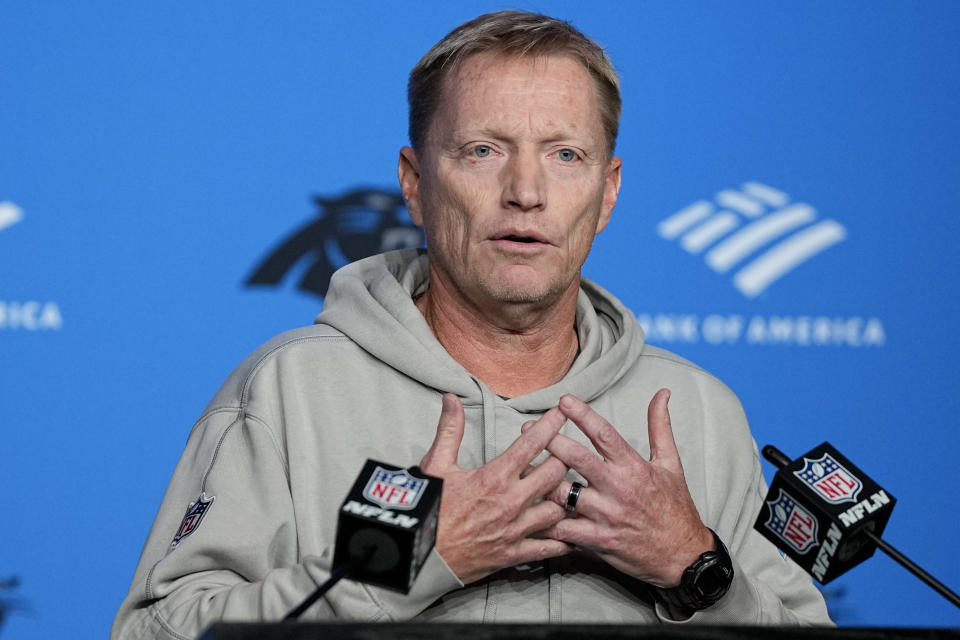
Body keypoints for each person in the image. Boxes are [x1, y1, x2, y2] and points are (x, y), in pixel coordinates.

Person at [112, 10, 830, 638]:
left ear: (607, 194)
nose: (525, 192)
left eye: (565, 155)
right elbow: (153, 636)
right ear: (416, 184)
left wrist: (696, 568)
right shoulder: (291, 390)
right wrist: (411, 561)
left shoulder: (699, 412)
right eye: (482, 151)